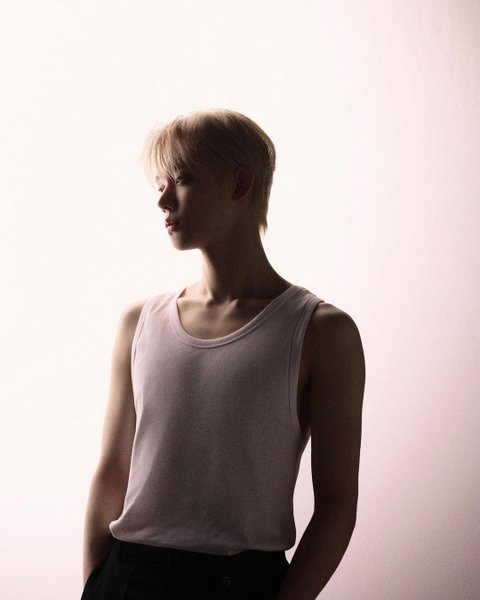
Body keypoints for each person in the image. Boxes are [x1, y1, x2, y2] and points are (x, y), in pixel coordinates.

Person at [80, 108, 365, 600]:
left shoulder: (322, 332)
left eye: (183, 179)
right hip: (126, 576)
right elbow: (111, 473)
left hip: (238, 583)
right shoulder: (139, 322)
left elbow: (337, 506)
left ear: (240, 183)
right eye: (160, 184)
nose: (163, 199)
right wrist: (95, 585)